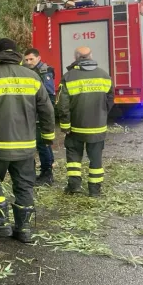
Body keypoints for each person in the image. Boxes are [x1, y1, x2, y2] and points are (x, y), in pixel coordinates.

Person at [0, 38, 56, 243]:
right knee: (24, 185)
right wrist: (47, 136)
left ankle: (0, 225)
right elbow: (47, 109)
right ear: (17, 55)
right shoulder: (33, 77)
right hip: (25, 146)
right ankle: (23, 229)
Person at [56, 46, 115, 197]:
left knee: (74, 157)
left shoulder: (69, 76)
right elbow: (110, 99)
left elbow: (63, 104)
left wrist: (65, 125)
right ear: (91, 56)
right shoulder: (104, 75)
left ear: (76, 57)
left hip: (76, 127)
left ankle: (74, 187)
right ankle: (95, 191)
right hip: (98, 127)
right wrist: (102, 114)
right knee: (96, 159)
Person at [23, 48, 56, 186]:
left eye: (31, 59)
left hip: (39, 115)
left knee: (42, 144)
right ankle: (45, 170)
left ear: (38, 58)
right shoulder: (28, 71)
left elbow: (49, 96)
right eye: (26, 59)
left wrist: (44, 115)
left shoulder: (43, 72)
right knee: (40, 144)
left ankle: (47, 174)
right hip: (31, 114)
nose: (29, 62)